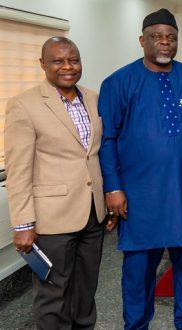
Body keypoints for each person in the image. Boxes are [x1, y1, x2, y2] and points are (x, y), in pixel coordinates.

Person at [98, 8, 182, 330]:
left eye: (171, 37)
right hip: (140, 197)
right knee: (138, 273)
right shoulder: (119, 82)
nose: (165, 43)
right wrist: (113, 187)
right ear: (142, 40)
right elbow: (107, 140)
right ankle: (136, 325)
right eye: (157, 37)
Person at [5, 37, 109, 329]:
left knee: (86, 291)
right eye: (58, 61)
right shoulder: (24, 105)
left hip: (92, 213)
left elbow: (95, 154)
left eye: (73, 60)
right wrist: (23, 223)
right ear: (43, 64)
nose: (67, 67)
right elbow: (19, 168)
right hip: (51, 219)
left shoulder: (94, 98)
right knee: (53, 295)